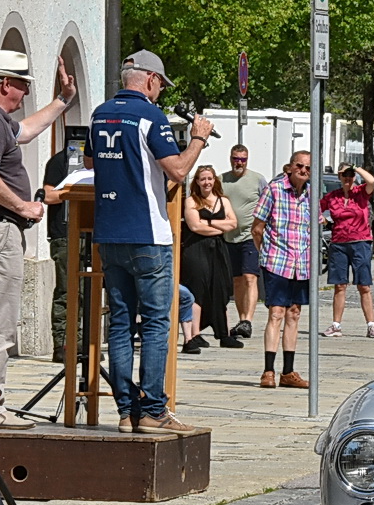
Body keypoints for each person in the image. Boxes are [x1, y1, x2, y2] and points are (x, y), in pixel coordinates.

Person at [90, 49, 210, 433]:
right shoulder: (150, 116)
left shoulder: (99, 114)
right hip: (148, 233)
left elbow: (92, 163)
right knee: (157, 323)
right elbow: (177, 171)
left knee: (120, 324)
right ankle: (154, 410)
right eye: (161, 85)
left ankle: (126, 412)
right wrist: (198, 139)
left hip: (108, 232)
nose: (160, 92)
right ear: (151, 80)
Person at [0, 50, 75, 428]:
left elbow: (25, 131)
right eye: (23, 85)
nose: (26, 93)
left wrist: (63, 101)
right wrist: (23, 206)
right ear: (6, 84)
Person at [252, 151, 314, 389]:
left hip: (301, 263)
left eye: (308, 168)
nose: (303, 171)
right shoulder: (275, 190)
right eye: (299, 166)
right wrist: (266, 253)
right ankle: (268, 370)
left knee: (294, 313)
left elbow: (315, 226)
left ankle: (288, 371)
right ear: (290, 167)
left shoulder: (311, 194)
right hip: (277, 260)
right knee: (276, 312)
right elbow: (257, 228)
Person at [40, 128, 92, 360]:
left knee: (86, 291)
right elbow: (48, 196)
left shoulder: (96, 163)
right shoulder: (58, 162)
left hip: (89, 234)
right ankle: (62, 343)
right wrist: (72, 190)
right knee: (66, 290)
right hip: (64, 233)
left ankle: (82, 342)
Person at [182, 164, 242, 353]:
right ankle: (195, 334)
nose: (207, 182)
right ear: (197, 182)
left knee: (221, 288)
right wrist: (219, 226)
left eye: (209, 178)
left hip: (218, 248)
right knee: (197, 289)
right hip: (195, 248)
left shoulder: (223, 201)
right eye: (203, 179)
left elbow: (233, 223)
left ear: (214, 180)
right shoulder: (191, 201)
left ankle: (224, 333)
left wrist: (207, 222)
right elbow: (195, 227)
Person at [320, 164, 374, 339]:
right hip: (339, 243)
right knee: (339, 285)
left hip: (360, 242)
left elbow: (371, 181)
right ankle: (336, 325)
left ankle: (371, 325)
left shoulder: (361, 192)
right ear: (339, 176)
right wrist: (325, 222)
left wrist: (356, 168)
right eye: (344, 174)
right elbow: (314, 207)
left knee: (364, 285)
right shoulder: (333, 196)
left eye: (350, 174)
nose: (347, 178)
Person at [220, 146, 267, 339]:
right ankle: (242, 320)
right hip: (229, 237)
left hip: (250, 236)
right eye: (236, 159)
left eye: (243, 159)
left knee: (250, 277)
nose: (239, 163)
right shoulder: (221, 180)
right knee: (237, 281)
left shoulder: (257, 179)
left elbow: (267, 203)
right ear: (230, 158)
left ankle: (248, 320)